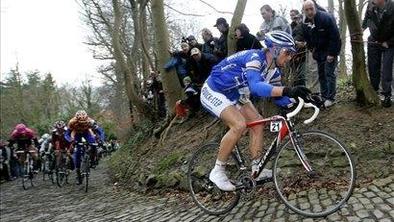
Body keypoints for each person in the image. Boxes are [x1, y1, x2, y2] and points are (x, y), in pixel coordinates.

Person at [200, 31, 312, 191]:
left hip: (234, 93)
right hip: (214, 90)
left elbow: (279, 97)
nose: (289, 58)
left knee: (258, 124)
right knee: (239, 125)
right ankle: (217, 171)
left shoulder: (273, 71)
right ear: (274, 50)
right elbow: (256, 86)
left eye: (291, 54)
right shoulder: (254, 58)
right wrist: (288, 90)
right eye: (287, 53)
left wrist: (304, 99)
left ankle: (255, 168)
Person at [302, 0, 341, 107]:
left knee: (329, 73)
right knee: (321, 74)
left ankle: (331, 98)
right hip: (318, 52)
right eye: (307, 10)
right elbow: (307, 38)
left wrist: (332, 53)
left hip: (329, 50)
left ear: (315, 8)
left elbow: (335, 37)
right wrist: (312, 49)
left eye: (311, 9)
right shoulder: (305, 23)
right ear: (304, 11)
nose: (309, 12)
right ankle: (324, 96)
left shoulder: (325, 18)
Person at [362, 0, 394, 107]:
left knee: (386, 69)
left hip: (389, 42)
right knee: (373, 67)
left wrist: (388, 42)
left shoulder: (392, 6)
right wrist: (359, 31)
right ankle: (374, 91)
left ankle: (387, 95)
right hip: (374, 40)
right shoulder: (371, 5)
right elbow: (366, 20)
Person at [65, 110, 96, 184]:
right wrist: (70, 140)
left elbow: (99, 130)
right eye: (80, 122)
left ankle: (92, 160)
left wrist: (99, 139)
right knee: (78, 152)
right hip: (77, 134)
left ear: (87, 119)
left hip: (86, 132)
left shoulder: (90, 121)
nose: (82, 123)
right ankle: (78, 172)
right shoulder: (72, 122)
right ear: (76, 119)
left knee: (93, 144)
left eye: (84, 121)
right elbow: (67, 134)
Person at [289, 9, 307, 86]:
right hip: (293, 54)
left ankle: (303, 91)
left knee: (302, 75)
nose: (292, 18)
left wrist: (305, 44)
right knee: (294, 75)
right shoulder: (290, 26)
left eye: (294, 16)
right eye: (291, 16)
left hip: (303, 54)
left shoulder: (304, 25)